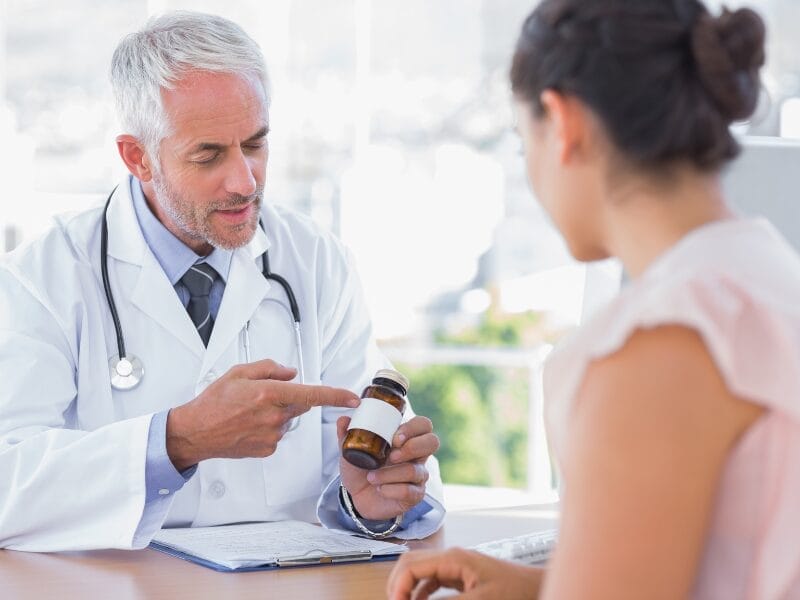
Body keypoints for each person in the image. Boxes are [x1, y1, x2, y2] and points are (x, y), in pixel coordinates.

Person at [388, 1, 800, 598]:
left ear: (562, 122)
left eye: (522, 137)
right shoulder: (767, 275)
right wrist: (540, 588)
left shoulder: (660, 344)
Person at [0, 11, 444, 552]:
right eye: (208, 155)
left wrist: (370, 501)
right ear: (138, 156)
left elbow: (370, 447)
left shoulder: (315, 261)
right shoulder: (43, 277)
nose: (244, 181)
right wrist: (179, 440)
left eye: (254, 145)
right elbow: (7, 482)